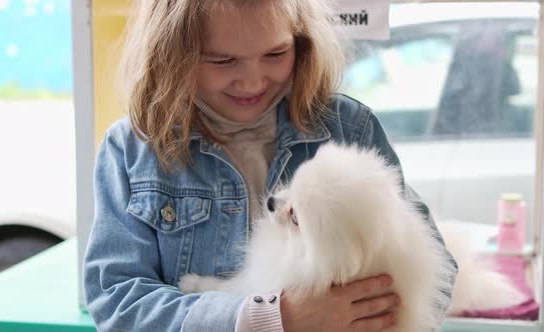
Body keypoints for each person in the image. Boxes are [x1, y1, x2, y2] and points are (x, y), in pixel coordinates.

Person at [83, 0, 458, 331]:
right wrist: (271, 320)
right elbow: (118, 302)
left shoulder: (349, 128)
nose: (252, 80)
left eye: (276, 54)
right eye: (223, 60)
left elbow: (432, 274)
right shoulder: (132, 148)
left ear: (301, 41)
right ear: (173, 53)